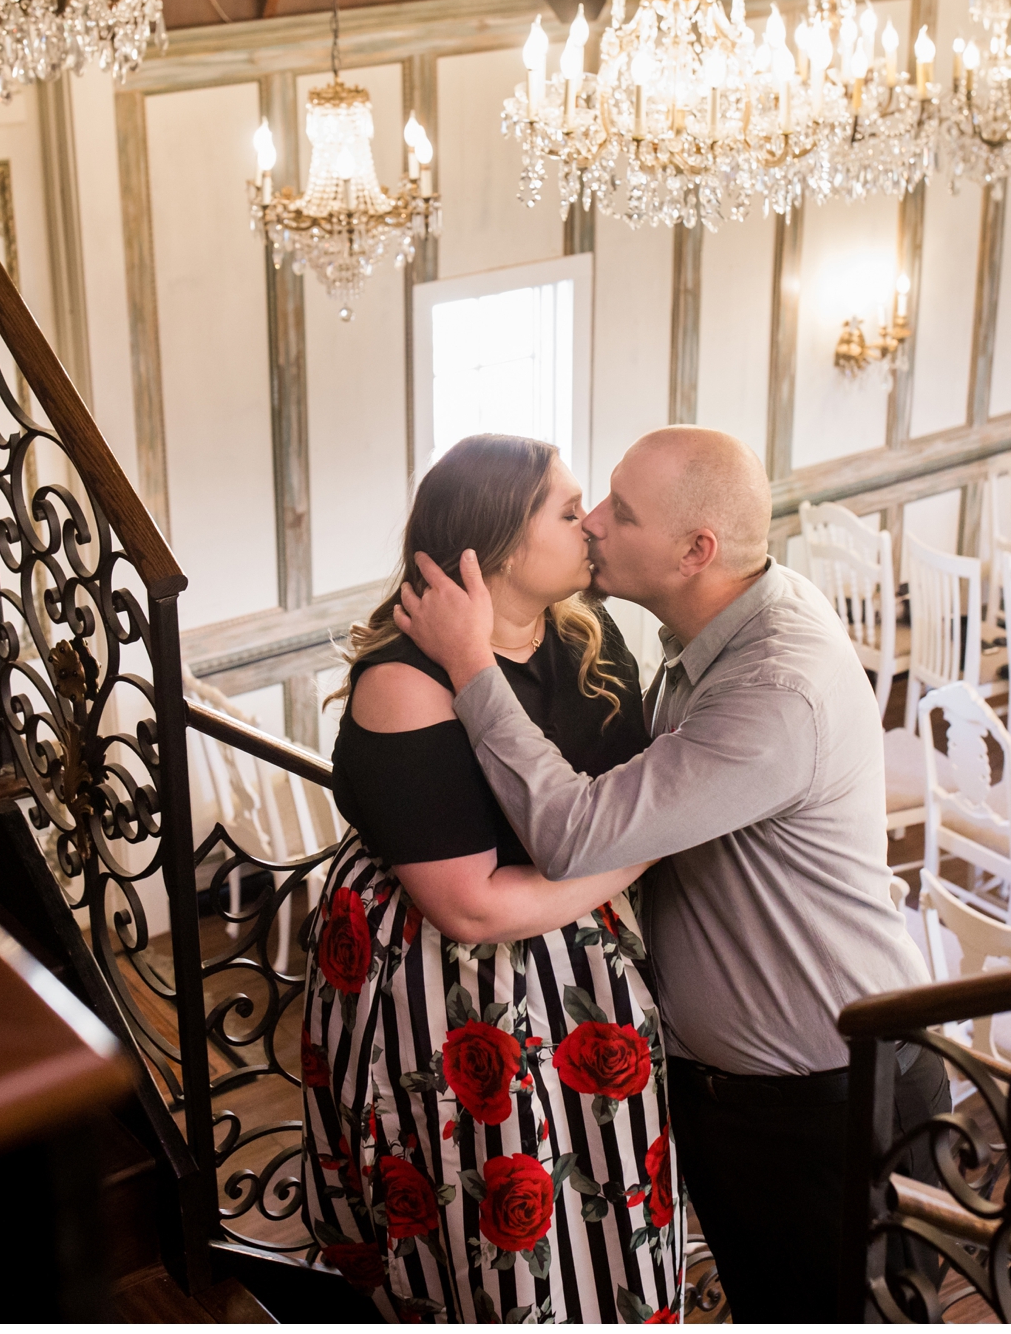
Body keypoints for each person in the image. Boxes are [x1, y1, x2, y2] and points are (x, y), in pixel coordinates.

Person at [394, 424, 945, 1322]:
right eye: (595, 498)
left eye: (622, 511)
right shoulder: (719, 626)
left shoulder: (775, 688)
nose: (595, 521)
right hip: (745, 1098)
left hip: (828, 1106)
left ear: (697, 550)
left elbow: (576, 834)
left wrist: (469, 662)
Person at [299, 435, 686, 1325]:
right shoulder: (403, 682)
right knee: (493, 1200)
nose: (591, 524)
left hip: (582, 962)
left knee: (606, 1183)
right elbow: (468, 906)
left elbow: (619, 794)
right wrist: (644, 848)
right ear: (499, 545)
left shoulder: (591, 636)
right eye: (567, 508)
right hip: (452, 989)